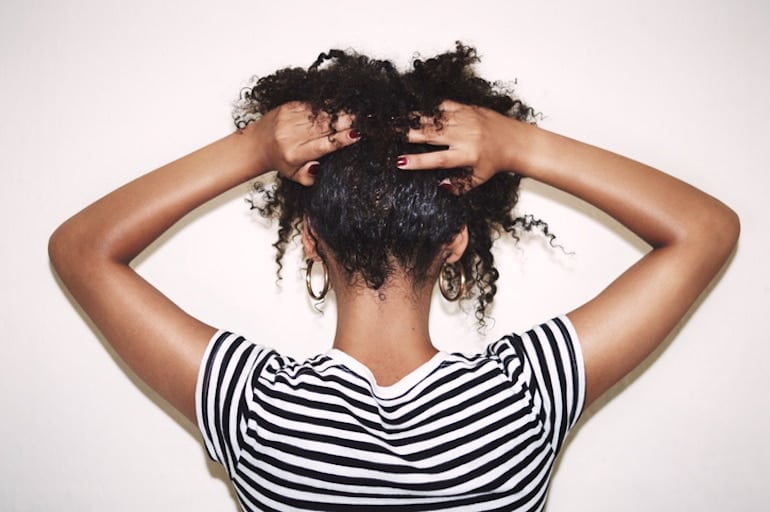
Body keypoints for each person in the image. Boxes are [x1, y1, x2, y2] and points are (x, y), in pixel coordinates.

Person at [48, 44, 739, 511]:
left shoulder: (254, 411)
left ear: (310, 241)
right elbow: (705, 230)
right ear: (458, 241)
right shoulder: (525, 400)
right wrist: (517, 143)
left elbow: (81, 249)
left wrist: (254, 145)